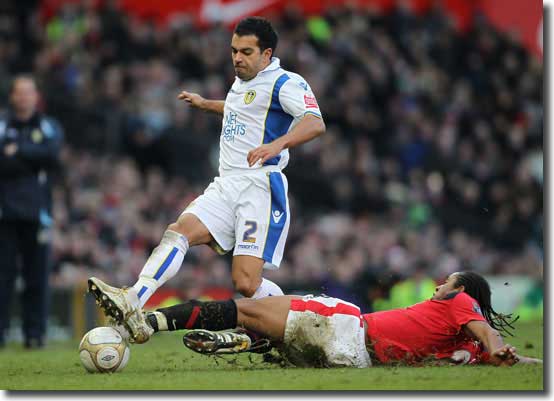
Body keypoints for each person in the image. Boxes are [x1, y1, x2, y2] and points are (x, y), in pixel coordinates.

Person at [88, 16, 326, 343]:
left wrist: (277, 143)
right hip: (225, 183)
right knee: (178, 231)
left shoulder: (286, 83)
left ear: (267, 54)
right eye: (233, 51)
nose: (237, 58)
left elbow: (315, 122)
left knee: (245, 282)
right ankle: (134, 300)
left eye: (245, 52)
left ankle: (297, 324)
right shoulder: (242, 81)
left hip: (259, 186)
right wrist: (206, 104)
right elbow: (240, 109)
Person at [128, 271, 541, 367]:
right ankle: (251, 341)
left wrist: (496, 343)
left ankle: (149, 323)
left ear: (462, 289)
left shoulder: (459, 303)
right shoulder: (465, 349)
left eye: (445, 282)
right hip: (357, 360)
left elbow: (486, 332)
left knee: (246, 305)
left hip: (348, 325)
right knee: (279, 334)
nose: (437, 287)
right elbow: (513, 362)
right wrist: (511, 357)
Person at [0, 75, 64, 349]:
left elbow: (52, 155)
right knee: (3, 277)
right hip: (4, 215)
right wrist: (30, 156)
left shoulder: (49, 126)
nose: (25, 97)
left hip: (38, 215)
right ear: (12, 96)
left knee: (36, 277)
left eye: (30, 92)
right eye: (20, 92)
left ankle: (35, 334)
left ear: (36, 96)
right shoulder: (2, 124)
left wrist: (16, 153)